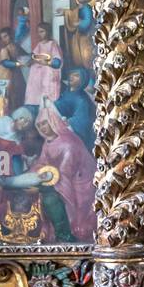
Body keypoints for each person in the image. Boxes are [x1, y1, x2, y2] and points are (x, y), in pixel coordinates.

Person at [34, 98, 95, 241]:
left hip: (80, 184)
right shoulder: (48, 142)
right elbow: (42, 163)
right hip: (61, 179)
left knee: (51, 199)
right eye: (39, 125)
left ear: (53, 121)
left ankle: (66, 236)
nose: (42, 128)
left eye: (45, 123)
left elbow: (64, 172)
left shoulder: (68, 142)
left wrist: (42, 182)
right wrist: (34, 174)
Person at [24, 23, 63, 106]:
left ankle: (46, 106)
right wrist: (29, 61)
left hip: (48, 69)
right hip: (37, 71)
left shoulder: (52, 44)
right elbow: (34, 56)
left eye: (42, 31)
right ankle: (36, 104)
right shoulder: (39, 44)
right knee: (35, 86)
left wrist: (46, 63)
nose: (40, 34)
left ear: (47, 32)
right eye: (39, 32)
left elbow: (57, 61)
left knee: (46, 87)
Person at [55, 68, 95, 149]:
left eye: (76, 75)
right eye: (71, 74)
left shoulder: (81, 100)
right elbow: (61, 106)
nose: (71, 77)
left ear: (83, 80)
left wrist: (68, 122)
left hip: (76, 139)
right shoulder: (66, 93)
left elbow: (81, 121)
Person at [0, 27, 27, 111]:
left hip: (17, 73)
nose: (4, 39)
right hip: (6, 74)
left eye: (6, 36)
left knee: (20, 91)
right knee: (9, 94)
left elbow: (24, 55)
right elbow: (5, 63)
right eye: (2, 37)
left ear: (11, 35)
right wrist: (17, 64)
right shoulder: (4, 49)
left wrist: (29, 57)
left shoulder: (16, 46)